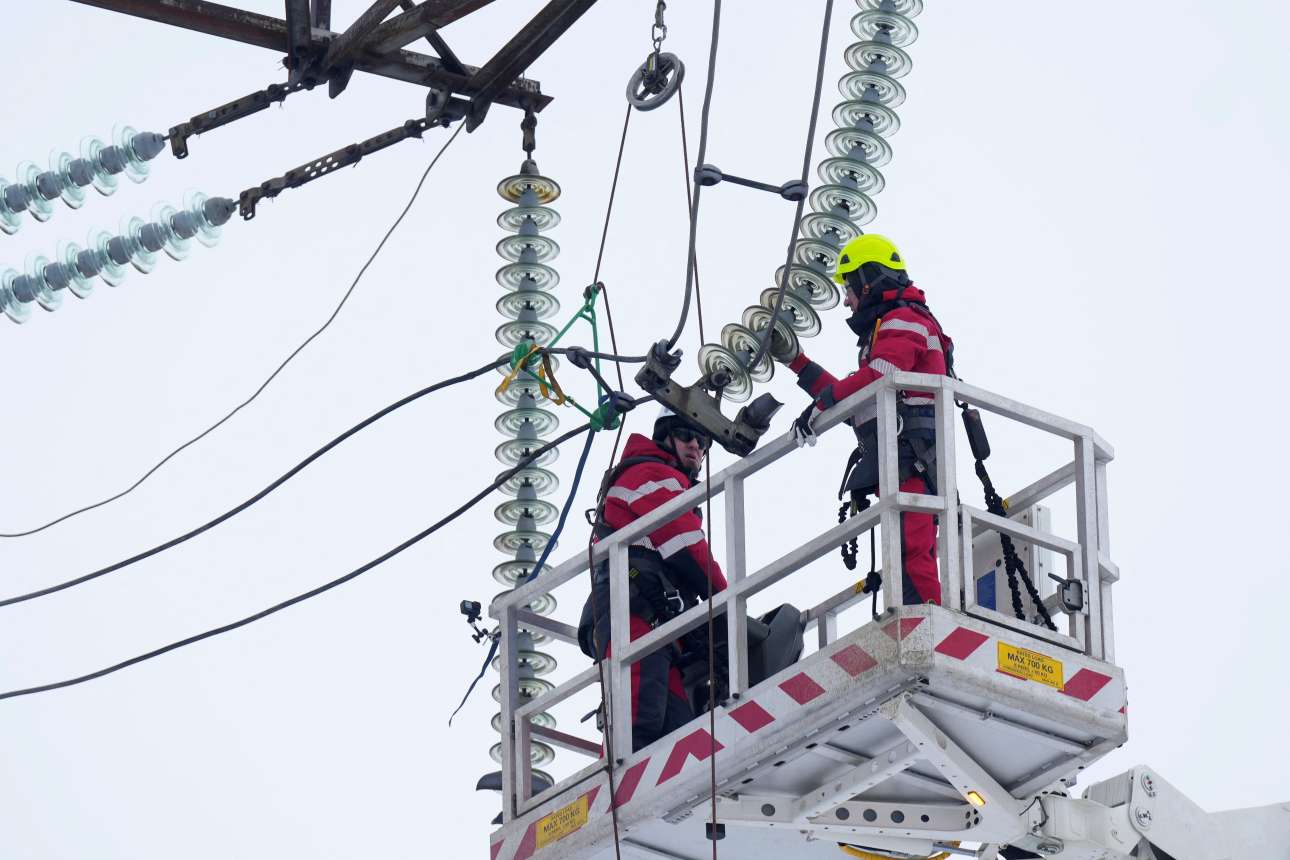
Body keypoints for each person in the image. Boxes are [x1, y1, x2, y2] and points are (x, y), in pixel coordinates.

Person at [785, 233, 953, 606]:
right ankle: (916, 623)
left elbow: (877, 377)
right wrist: (798, 362)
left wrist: (821, 407)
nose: (847, 300)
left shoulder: (905, 320)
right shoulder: (889, 328)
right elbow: (860, 405)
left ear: (868, 280)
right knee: (904, 552)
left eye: (849, 288)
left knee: (912, 551)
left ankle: (925, 627)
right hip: (905, 463)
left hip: (914, 463)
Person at [577, 408, 727, 752]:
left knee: (681, 737)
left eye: (703, 442)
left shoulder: (667, 481)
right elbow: (688, 549)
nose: (696, 447)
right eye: (687, 436)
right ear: (665, 437)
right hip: (632, 616)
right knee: (636, 727)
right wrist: (728, 603)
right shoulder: (650, 473)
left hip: (657, 629)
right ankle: (610, 803)